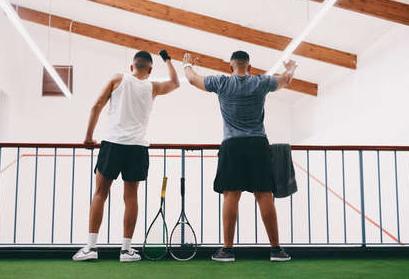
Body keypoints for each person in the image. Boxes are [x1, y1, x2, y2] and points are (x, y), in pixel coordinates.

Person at [183, 50, 296, 262]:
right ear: (249, 67)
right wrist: (290, 68)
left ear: (230, 66)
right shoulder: (261, 82)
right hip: (258, 144)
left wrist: (187, 64)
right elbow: (285, 80)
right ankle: (276, 250)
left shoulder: (222, 82)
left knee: (231, 195)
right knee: (264, 195)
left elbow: (191, 79)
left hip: (232, 145)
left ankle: (227, 250)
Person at [73, 50, 179, 262]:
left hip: (112, 144)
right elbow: (176, 82)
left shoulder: (117, 78)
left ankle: (91, 248)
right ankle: (126, 251)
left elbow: (96, 106)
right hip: (137, 148)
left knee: (100, 193)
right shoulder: (153, 86)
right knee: (131, 198)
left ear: (131, 67)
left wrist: (88, 138)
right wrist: (167, 60)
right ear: (149, 69)